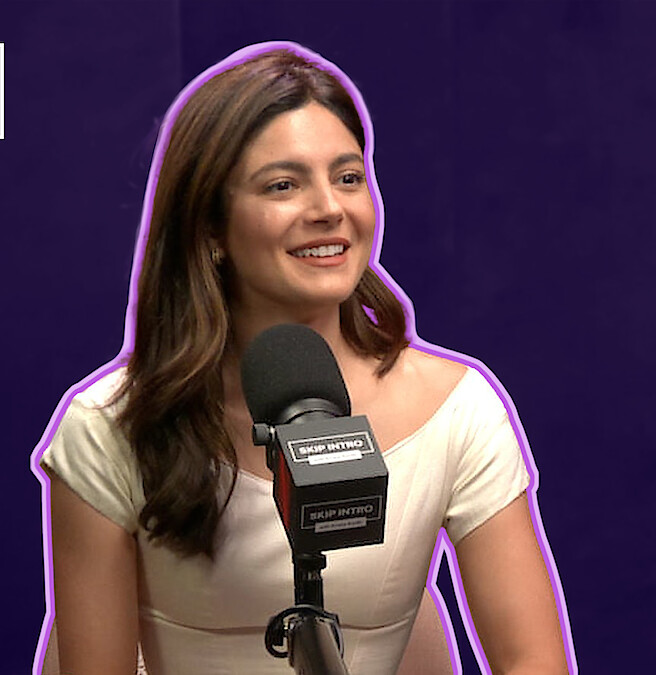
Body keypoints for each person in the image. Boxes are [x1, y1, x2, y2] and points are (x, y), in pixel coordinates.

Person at [36, 42, 572, 675]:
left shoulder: (458, 408)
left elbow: (533, 661)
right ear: (210, 229)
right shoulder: (108, 426)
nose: (328, 209)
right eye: (284, 185)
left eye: (348, 177)